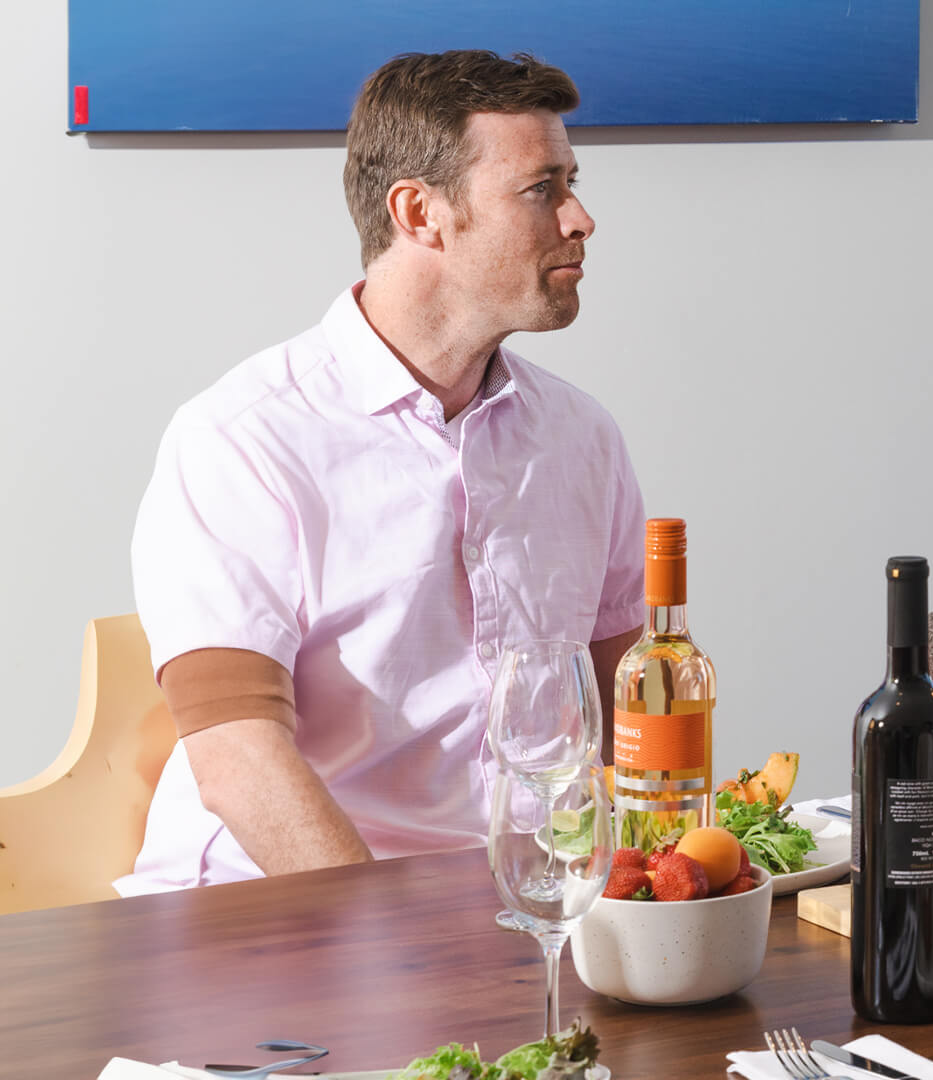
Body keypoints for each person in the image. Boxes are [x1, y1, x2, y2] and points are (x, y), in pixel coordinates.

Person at [117, 51, 648, 894]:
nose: (580, 218)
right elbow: (234, 758)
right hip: (276, 916)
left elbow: (631, 703)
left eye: (571, 183)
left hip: (519, 909)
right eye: (541, 188)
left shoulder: (583, 438)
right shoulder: (242, 440)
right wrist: (398, 946)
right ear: (420, 212)